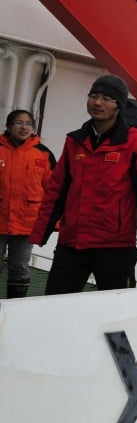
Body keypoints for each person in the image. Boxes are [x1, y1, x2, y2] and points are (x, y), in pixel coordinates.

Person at [31, 74, 137, 293]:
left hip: (115, 246)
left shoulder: (135, 142)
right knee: (53, 304)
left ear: (119, 105)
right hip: (72, 242)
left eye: (107, 98)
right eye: (94, 96)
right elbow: (56, 190)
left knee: (117, 310)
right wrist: (40, 232)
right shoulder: (75, 141)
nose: (98, 102)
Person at [0, 110, 56, 298]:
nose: (24, 127)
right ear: (8, 126)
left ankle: (15, 308)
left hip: (26, 223)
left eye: (28, 124)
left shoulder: (43, 154)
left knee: (19, 266)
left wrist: (55, 222)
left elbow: (54, 191)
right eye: (18, 122)